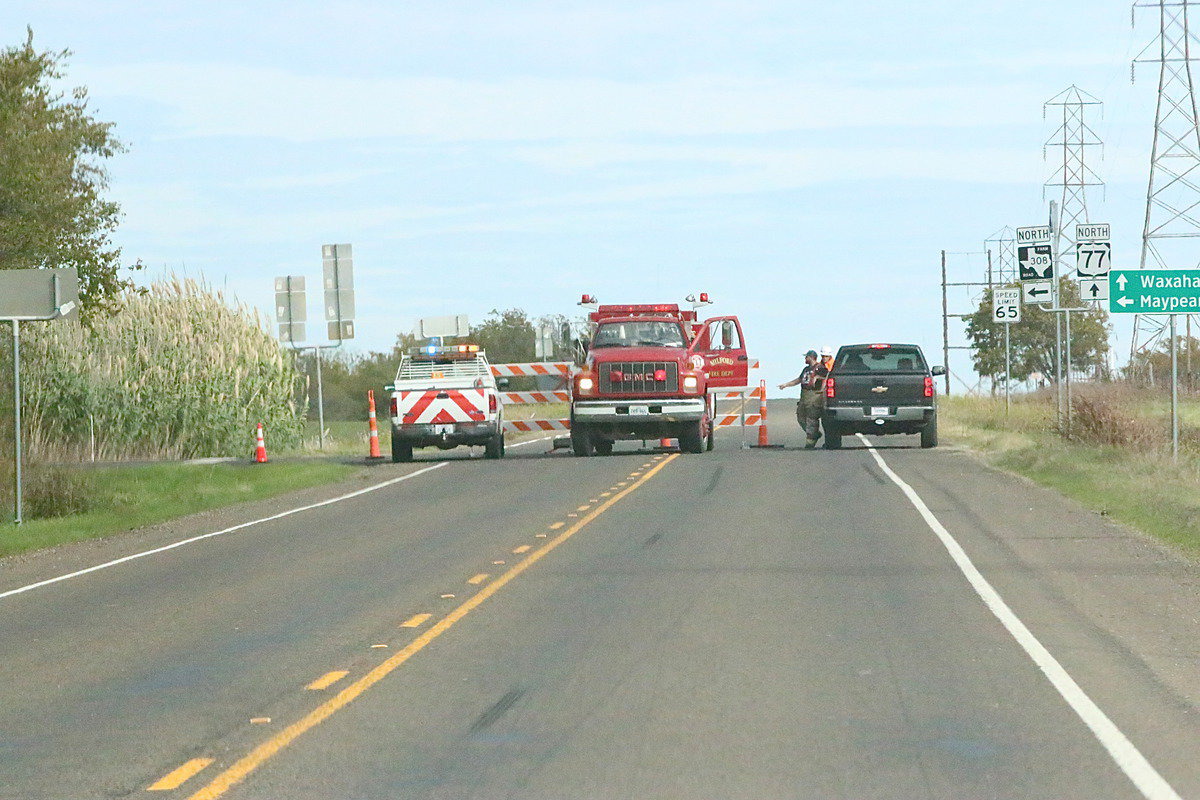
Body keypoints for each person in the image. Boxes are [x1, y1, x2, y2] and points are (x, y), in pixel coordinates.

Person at [778, 349, 830, 448]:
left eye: (806, 357)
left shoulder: (820, 368)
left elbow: (828, 376)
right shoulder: (806, 369)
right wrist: (786, 385)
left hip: (814, 396)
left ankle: (810, 441)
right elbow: (799, 379)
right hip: (804, 395)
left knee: (811, 418)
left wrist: (817, 378)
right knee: (801, 417)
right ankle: (814, 434)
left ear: (811, 357)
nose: (805, 359)